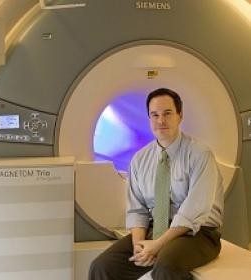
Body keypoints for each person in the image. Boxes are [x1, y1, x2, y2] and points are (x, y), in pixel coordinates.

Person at [89, 88, 224, 280]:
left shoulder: (200, 155)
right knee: (102, 267)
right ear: (149, 118)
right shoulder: (139, 160)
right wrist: (139, 246)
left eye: (168, 113)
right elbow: (137, 210)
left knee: (166, 266)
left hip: (199, 234)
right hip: (156, 229)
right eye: (155, 115)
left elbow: (193, 211)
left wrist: (158, 244)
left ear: (180, 115)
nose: (161, 121)